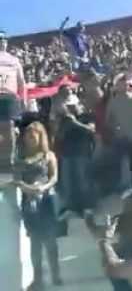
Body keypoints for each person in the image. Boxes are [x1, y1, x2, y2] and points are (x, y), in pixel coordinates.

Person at [14, 122, 62, 291]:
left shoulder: (48, 155)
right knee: (35, 242)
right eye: (28, 137)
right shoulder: (20, 158)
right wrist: (27, 188)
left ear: (41, 137)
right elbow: (17, 179)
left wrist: (42, 187)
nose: (31, 140)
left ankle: (56, 273)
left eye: (34, 137)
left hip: (46, 200)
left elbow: (54, 177)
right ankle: (38, 278)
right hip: (29, 203)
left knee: (50, 240)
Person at [85, 189, 132, 291]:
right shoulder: (121, 219)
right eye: (126, 206)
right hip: (130, 258)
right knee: (112, 254)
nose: (129, 210)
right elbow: (100, 234)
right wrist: (89, 221)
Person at [0, 30, 26, 174]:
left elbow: (21, 82)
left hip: (10, 97)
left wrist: (24, 100)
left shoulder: (14, 60)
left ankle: (9, 160)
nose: (1, 41)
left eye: (4, 39)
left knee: (9, 128)